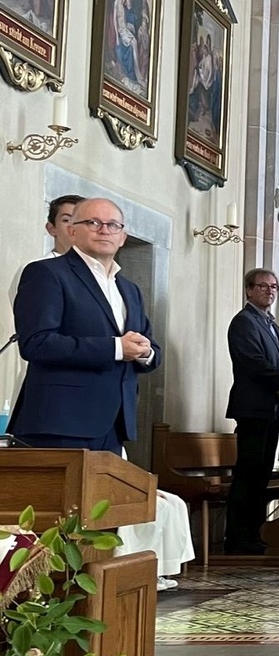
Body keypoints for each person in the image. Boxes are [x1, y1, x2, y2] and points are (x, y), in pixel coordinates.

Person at [9, 198, 190, 589]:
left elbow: (148, 348)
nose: (104, 230)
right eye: (93, 222)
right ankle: (45, 607)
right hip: (59, 421)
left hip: (113, 422)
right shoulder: (47, 274)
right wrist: (115, 348)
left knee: (101, 525)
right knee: (58, 528)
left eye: (113, 225)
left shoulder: (129, 288)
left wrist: (145, 353)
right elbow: (37, 343)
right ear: (72, 230)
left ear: (123, 236)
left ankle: (93, 604)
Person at [223, 269, 279, 555]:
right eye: (263, 286)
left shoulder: (272, 324)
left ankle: (253, 533)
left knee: (262, 474)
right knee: (248, 473)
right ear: (249, 290)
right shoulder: (244, 322)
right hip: (252, 407)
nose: (270, 291)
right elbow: (254, 363)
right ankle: (237, 538)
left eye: (274, 287)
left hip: (271, 407)